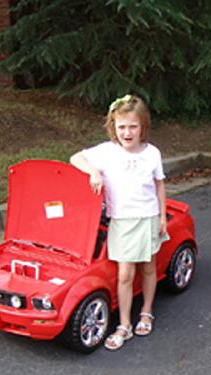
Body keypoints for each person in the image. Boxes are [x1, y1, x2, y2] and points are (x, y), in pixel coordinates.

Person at [70, 94, 169, 351]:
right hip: (122, 221)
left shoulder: (152, 153)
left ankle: (146, 311)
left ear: (143, 127)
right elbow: (75, 158)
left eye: (132, 126)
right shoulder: (106, 152)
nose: (127, 132)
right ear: (113, 126)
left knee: (148, 268)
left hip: (147, 217)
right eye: (121, 126)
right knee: (125, 274)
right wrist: (93, 171)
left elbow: (159, 184)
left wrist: (162, 216)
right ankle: (124, 324)